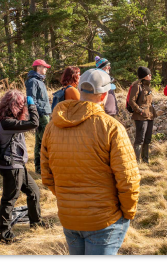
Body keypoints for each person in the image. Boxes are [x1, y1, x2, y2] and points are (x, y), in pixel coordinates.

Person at [42, 67, 139, 254]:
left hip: (69, 217)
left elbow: (47, 175)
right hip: (104, 219)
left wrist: (70, 201)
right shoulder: (111, 127)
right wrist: (127, 213)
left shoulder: (53, 126)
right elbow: (128, 179)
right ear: (104, 96)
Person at [0, 90, 47, 243]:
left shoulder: (8, 121)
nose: (24, 108)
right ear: (16, 106)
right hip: (12, 166)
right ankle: (5, 234)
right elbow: (34, 123)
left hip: (18, 165)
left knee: (34, 192)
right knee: (9, 199)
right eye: (22, 104)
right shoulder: (7, 123)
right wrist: (32, 105)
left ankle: (36, 223)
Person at [25, 59, 54, 173]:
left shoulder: (39, 80)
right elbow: (31, 99)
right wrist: (39, 112)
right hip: (41, 114)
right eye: (44, 67)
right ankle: (43, 168)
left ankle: (39, 168)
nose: (46, 69)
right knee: (45, 141)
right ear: (38, 68)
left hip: (44, 113)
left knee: (39, 141)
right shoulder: (33, 81)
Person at [125, 66, 156, 164]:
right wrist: (140, 111)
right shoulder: (136, 85)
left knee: (147, 139)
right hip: (140, 116)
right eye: (148, 74)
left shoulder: (147, 86)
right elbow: (131, 101)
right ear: (143, 76)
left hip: (150, 115)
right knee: (140, 139)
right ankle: (136, 162)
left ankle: (145, 161)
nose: (150, 75)